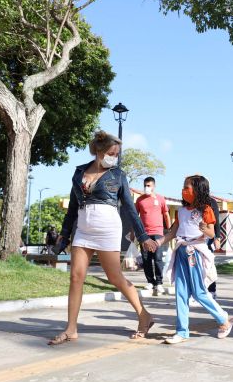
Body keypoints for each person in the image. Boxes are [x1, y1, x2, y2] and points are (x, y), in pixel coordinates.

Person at [49, 131, 158, 345]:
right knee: (75, 277)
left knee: (115, 277)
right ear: (99, 151)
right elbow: (72, 207)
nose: (114, 157)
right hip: (83, 229)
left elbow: (129, 208)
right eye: (111, 153)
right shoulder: (79, 172)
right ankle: (71, 328)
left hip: (108, 229)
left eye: (116, 154)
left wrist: (143, 236)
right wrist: (64, 233)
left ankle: (144, 315)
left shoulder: (118, 175)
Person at [157, 175, 233, 344]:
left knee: (198, 292)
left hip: (195, 252)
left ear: (198, 190)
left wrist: (205, 229)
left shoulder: (206, 209)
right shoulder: (181, 211)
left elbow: (212, 233)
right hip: (181, 251)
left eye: (187, 187)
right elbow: (173, 231)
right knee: (180, 292)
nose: (183, 190)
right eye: (183, 187)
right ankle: (182, 331)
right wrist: (159, 242)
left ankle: (223, 319)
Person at [135, 176, 171, 296]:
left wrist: (170, 230)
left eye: (149, 185)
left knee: (158, 258)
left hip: (158, 232)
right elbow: (135, 217)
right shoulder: (140, 200)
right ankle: (151, 282)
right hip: (144, 234)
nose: (147, 188)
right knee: (146, 259)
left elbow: (166, 214)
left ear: (154, 186)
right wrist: (132, 232)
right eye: (145, 185)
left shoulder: (160, 199)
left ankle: (159, 283)